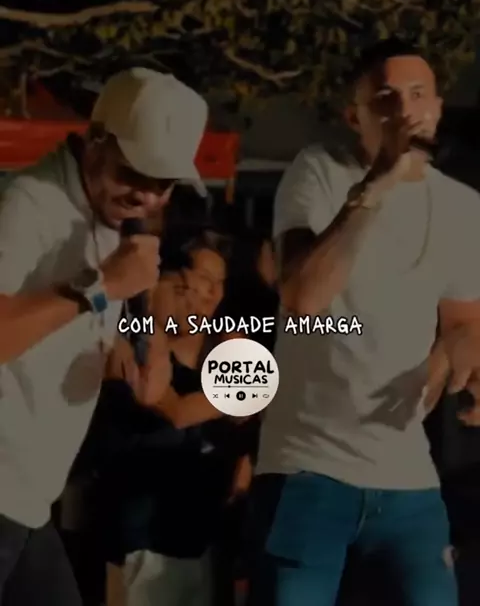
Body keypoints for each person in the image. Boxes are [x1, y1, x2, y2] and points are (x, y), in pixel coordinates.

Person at [246, 38, 480, 606]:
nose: (405, 109)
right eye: (385, 98)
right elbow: (302, 297)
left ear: (438, 107)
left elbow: (464, 321)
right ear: (357, 117)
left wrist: (463, 363)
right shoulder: (320, 172)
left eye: (418, 94)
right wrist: (377, 186)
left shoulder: (462, 206)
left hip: (408, 478)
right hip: (308, 468)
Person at [0, 66, 209, 605]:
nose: (145, 196)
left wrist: (144, 350)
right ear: (95, 139)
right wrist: (99, 286)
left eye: (162, 184)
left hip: (29, 498)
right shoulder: (27, 204)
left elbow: (107, 331)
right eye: (133, 173)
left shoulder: (110, 220)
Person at [93, 229, 252, 606]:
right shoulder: (124, 344)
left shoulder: (227, 345)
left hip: (209, 544)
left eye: (219, 284)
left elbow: (246, 412)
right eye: (200, 281)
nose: (210, 294)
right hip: (143, 547)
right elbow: (171, 407)